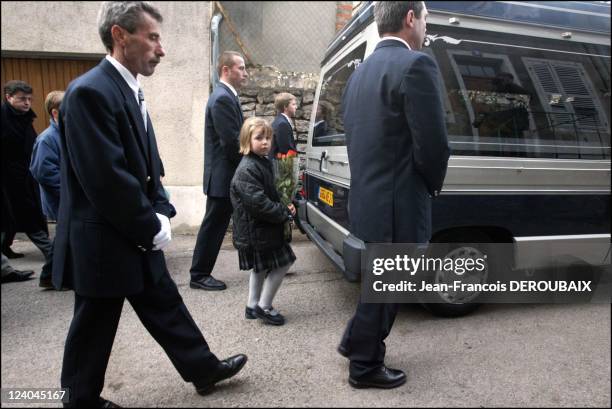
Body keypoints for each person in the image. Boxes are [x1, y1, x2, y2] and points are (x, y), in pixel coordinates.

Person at [54, 3, 246, 406]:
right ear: (121, 36)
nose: (161, 49)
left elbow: (147, 164)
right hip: (107, 239)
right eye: (153, 37)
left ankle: (203, 369)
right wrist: (150, 224)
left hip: (133, 231)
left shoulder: (127, 88)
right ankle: (79, 399)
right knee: (93, 324)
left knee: (165, 303)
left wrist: (161, 209)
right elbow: (106, 179)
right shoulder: (90, 91)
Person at [338, 1, 450, 389]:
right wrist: (432, 184)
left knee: (380, 284)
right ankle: (364, 367)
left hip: (368, 201)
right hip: (399, 205)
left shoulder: (358, 74)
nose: (425, 28)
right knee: (388, 289)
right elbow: (433, 145)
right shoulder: (417, 65)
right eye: (425, 20)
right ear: (409, 19)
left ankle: (354, 342)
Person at [189, 50, 248, 291]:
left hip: (225, 176)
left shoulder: (226, 96)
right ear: (226, 70)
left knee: (235, 222)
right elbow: (232, 142)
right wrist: (251, 162)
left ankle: (264, 262)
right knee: (213, 226)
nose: (245, 73)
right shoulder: (222, 98)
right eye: (241, 68)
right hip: (223, 178)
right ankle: (199, 274)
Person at [230, 117, 296, 326]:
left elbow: (270, 193)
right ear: (246, 140)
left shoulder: (260, 162)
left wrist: (287, 205)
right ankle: (264, 306)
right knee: (284, 262)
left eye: (268, 137)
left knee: (259, 269)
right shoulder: (247, 169)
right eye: (259, 138)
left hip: (260, 229)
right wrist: (283, 212)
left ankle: (252, 306)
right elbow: (259, 204)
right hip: (258, 230)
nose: (265, 142)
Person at [1, 80, 54, 268]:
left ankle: (5, 248)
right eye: (22, 99)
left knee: (23, 213)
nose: (27, 103)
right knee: (20, 215)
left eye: (29, 99)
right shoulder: (4, 118)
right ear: (8, 97)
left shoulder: (25, 118)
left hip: (25, 174)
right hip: (8, 178)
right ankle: (51, 253)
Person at [30, 90, 64, 289]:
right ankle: (49, 276)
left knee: (66, 238)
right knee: (63, 239)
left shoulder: (65, 134)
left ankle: (56, 276)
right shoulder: (47, 139)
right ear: (55, 113)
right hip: (59, 199)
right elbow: (43, 172)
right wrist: (69, 191)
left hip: (67, 198)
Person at [269, 92, 297, 160]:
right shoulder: (282, 124)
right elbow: (286, 151)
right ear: (285, 107)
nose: (296, 107)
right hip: (281, 166)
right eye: (293, 104)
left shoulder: (279, 120)